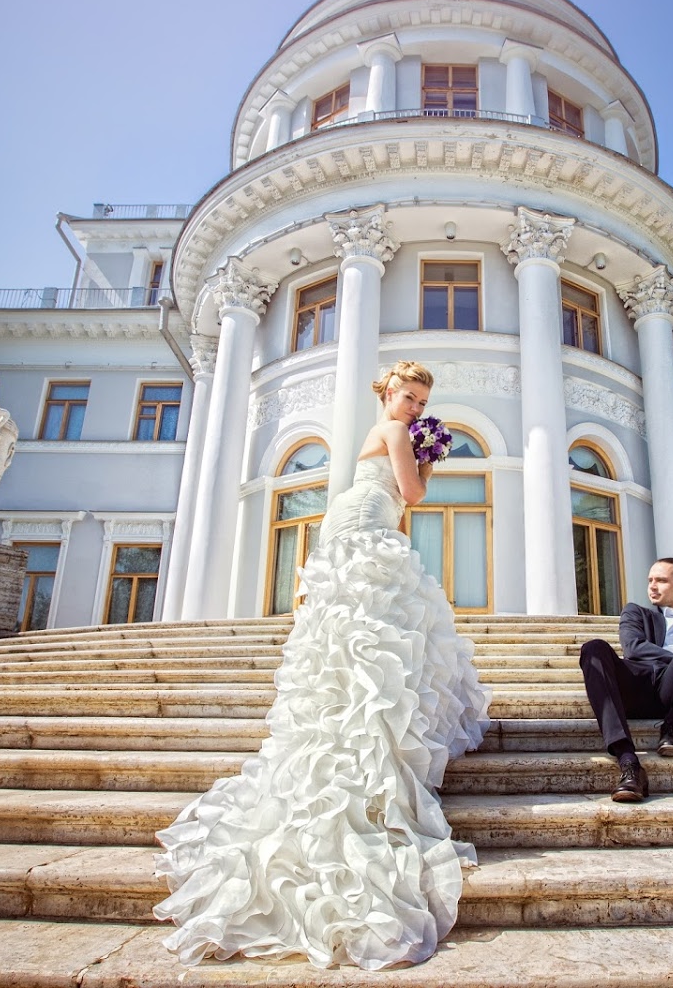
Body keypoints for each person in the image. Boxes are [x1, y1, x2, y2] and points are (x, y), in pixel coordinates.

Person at [154, 360, 491, 971]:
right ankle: (368, 738)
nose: (413, 408)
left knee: (369, 635)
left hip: (363, 521)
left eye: (420, 403)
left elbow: (406, 499)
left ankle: (369, 729)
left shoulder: (395, 434)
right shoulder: (392, 431)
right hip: (364, 526)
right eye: (408, 396)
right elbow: (413, 494)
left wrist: (426, 452)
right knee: (371, 631)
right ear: (388, 391)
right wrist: (430, 453)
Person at [578, 558, 673, 802]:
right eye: (650, 580)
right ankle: (629, 763)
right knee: (593, 649)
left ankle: (672, 727)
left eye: (661, 580)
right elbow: (634, 649)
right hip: (639, 683)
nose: (652, 586)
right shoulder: (636, 612)